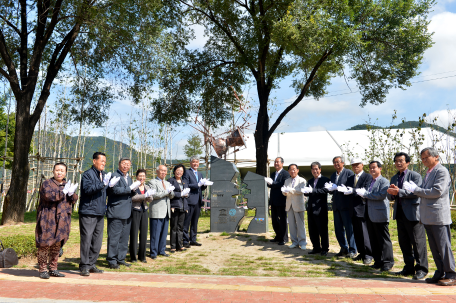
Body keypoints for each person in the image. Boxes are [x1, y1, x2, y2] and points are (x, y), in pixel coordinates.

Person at [403, 147, 456, 286]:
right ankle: (440, 272)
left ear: (436, 157)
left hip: (438, 216)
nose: (424, 160)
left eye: (426, 158)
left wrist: (416, 190)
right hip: (428, 216)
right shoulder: (428, 172)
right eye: (422, 158)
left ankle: (451, 274)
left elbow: (437, 191)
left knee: (443, 246)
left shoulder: (442, 171)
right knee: (434, 247)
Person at [387, 152, 428, 280]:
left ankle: (422, 269)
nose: (398, 163)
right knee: (403, 242)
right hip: (399, 213)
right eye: (396, 161)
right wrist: (392, 193)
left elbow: (417, 192)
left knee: (418, 242)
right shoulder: (394, 178)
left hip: (413, 213)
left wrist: (399, 191)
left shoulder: (415, 176)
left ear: (408, 162)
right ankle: (408, 267)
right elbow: (390, 195)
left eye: (401, 160)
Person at [35, 163, 78, 279]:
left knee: (57, 244)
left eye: (62, 171)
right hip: (48, 218)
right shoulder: (47, 183)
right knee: (44, 243)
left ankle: (53, 268)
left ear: (65, 173)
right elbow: (49, 196)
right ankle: (43, 269)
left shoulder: (66, 184)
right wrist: (62, 192)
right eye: (57, 170)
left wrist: (71, 193)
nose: (59, 172)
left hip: (62, 219)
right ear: (53, 171)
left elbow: (74, 199)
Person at [356, 161, 394, 272]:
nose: (372, 170)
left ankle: (387, 262)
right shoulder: (370, 181)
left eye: (374, 168)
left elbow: (381, 195)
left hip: (380, 214)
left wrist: (365, 194)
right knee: (373, 238)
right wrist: (362, 194)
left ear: (380, 168)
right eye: (370, 168)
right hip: (369, 213)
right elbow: (367, 195)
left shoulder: (384, 181)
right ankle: (378, 261)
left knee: (383, 240)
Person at [79, 152, 112, 276]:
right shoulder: (88, 174)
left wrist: (111, 186)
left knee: (97, 242)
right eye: (101, 161)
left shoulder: (104, 175)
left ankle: (92, 264)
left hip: (100, 212)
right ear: (94, 161)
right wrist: (102, 184)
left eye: (105, 161)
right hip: (88, 211)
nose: (103, 163)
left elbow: (106, 192)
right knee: (86, 240)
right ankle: (84, 266)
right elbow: (88, 190)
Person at [106, 158, 140, 269]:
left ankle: (121, 258)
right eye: (124, 164)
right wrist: (129, 188)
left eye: (128, 164)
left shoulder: (129, 178)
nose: (126, 166)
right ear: (119, 164)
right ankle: (112, 260)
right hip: (116, 211)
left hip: (127, 211)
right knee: (114, 237)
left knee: (124, 237)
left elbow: (129, 192)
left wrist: (133, 189)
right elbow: (114, 190)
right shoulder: (114, 175)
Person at [342, 158, 373, 265]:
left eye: (357, 165)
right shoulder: (350, 178)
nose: (355, 167)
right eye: (353, 165)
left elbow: (365, 189)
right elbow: (347, 190)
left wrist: (353, 191)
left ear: (362, 165)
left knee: (364, 233)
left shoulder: (367, 176)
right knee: (357, 233)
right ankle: (361, 253)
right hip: (352, 208)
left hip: (362, 208)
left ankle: (368, 255)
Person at [328, 156, 356, 258]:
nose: (336, 164)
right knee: (338, 229)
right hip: (336, 206)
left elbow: (350, 187)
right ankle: (343, 248)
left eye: (338, 162)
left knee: (349, 229)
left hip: (346, 205)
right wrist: (330, 189)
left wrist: (339, 187)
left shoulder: (348, 173)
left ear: (343, 163)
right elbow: (332, 190)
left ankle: (352, 250)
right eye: (334, 163)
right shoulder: (332, 175)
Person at [302, 162, 330, 255]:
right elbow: (308, 192)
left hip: (320, 209)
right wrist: (305, 192)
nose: (315, 171)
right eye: (313, 169)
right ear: (311, 170)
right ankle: (316, 247)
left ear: (320, 169)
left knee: (323, 231)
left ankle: (325, 249)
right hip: (311, 208)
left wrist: (312, 190)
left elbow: (325, 190)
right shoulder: (309, 181)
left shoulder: (325, 179)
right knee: (312, 230)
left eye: (316, 169)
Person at [148, 165, 174, 259]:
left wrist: (171, 192)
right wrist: (167, 191)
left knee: (164, 233)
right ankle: (153, 253)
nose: (164, 172)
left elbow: (172, 195)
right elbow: (154, 195)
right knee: (155, 233)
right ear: (157, 171)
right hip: (157, 211)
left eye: (165, 171)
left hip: (166, 211)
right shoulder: (152, 182)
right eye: (162, 170)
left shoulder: (167, 183)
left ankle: (161, 250)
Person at [265, 157, 291, 245]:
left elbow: (283, 184)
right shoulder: (273, 174)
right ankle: (278, 235)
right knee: (274, 220)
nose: (276, 163)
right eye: (275, 162)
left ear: (282, 163)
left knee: (283, 220)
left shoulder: (286, 174)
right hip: (273, 200)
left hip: (281, 200)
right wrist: (268, 183)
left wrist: (272, 183)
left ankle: (284, 238)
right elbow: (271, 186)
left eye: (278, 162)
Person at [182, 156, 207, 247]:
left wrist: (204, 185)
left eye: (197, 162)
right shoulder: (187, 173)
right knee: (187, 221)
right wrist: (198, 184)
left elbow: (200, 187)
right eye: (193, 162)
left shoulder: (200, 174)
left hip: (198, 200)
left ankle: (193, 239)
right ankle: (185, 240)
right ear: (190, 163)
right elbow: (187, 185)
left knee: (195, 221)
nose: (195, 163)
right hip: (190, 200)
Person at [130, 169, 153, 263]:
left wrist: (148, 196)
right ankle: (133, 256)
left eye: (143, 176)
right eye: (140, 176)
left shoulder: (147, 187)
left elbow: (150, 198)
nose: (142, 178)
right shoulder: (133, 187)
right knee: (134, 234)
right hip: (135, 210)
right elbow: (133, 197)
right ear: (136, 177)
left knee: (144, 234)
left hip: (144, 210)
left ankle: (142, 256)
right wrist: (144, 196)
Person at [282, 164, 307, 250]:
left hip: (298, 205)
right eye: (290, 170)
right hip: (289, 205)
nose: (292, 171)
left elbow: (301, 190)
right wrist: (284, 192)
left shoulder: (302, 180)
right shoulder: (286, 181)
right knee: (291, 225)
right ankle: (294, 242)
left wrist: (291, 190)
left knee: (300, 224)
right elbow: (284, 190)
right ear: (288, 171)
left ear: (297, 170)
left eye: (294, 169)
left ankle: (303, 242)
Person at [168, 164, 190, 253]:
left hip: (183, 206)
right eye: (178, 170)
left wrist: (186, 206)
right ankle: (173, 246)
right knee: (174, 227)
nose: (179, 172)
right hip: (174, 206)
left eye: (181, 171)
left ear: (183, 173)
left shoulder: (184, 181)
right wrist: (180, 194)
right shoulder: (170, 180)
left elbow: (188, 194)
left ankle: (179, 245)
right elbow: (170, 193)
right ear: (174, 171)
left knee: (181, 227)